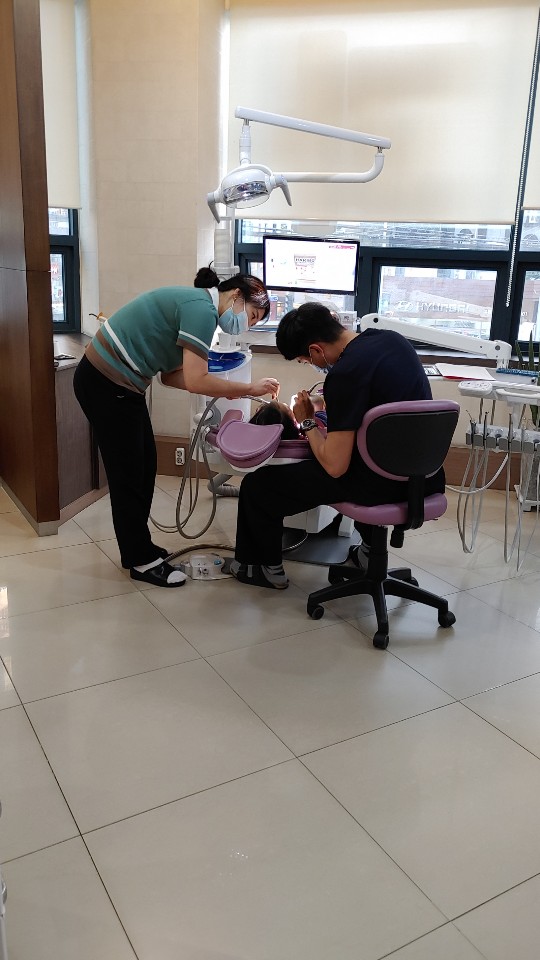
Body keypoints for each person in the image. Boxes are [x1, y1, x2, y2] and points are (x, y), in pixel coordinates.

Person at [73, 269, 279, 588]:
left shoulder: (199, 307)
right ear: (237, 296)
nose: (247, 325)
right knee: (129, 475)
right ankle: (140, 560)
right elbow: (196, 380)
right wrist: (246, 389)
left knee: (145, 467)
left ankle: (139, 547)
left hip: (119, 385)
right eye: (251, 316)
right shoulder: (202, 310)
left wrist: (227, 389)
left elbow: (171, 377)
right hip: (106, 382)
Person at [231, 302, 445, 590]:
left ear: (315, 350)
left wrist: (307, 421)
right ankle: (368, 553)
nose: (311, 365)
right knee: (363, 459)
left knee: (259, 486)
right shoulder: (393, 341)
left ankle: (261, 568)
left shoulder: (344, 374)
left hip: (380, 486)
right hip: (424, 477)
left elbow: (335, 466)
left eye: (306, 361)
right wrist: (328, 404)